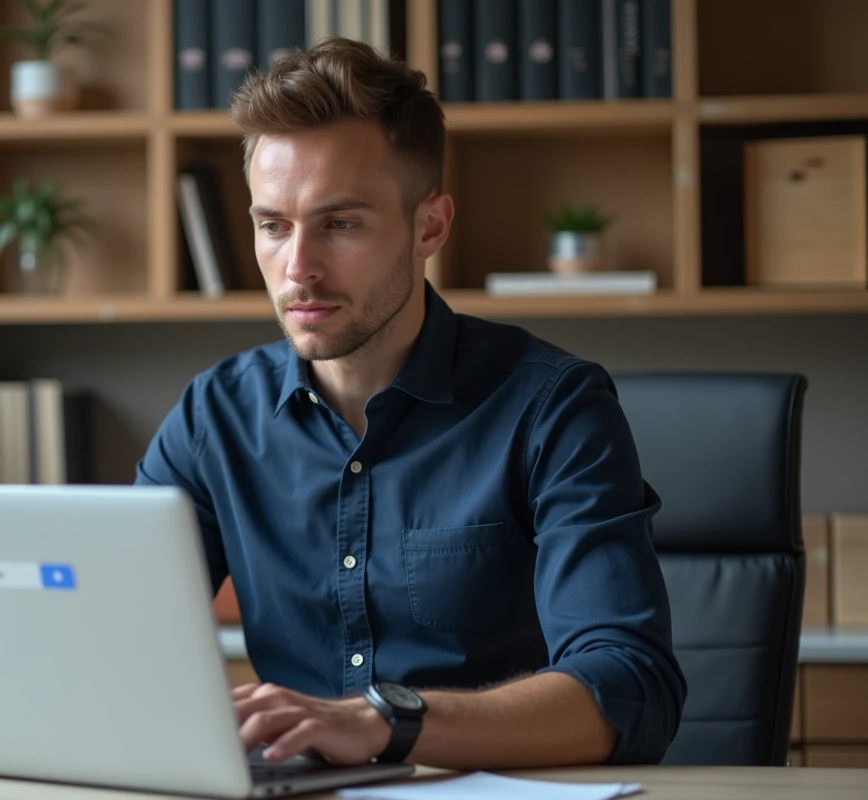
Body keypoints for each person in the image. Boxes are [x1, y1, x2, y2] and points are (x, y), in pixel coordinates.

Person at [135, 37, 685, 771]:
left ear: (431, 226)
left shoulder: (554, 408)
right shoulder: (214, 417)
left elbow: (630, 686)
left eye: (340, 223)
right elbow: (116, 637)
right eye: (274, 225)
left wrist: (384, 721)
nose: (298, 267)